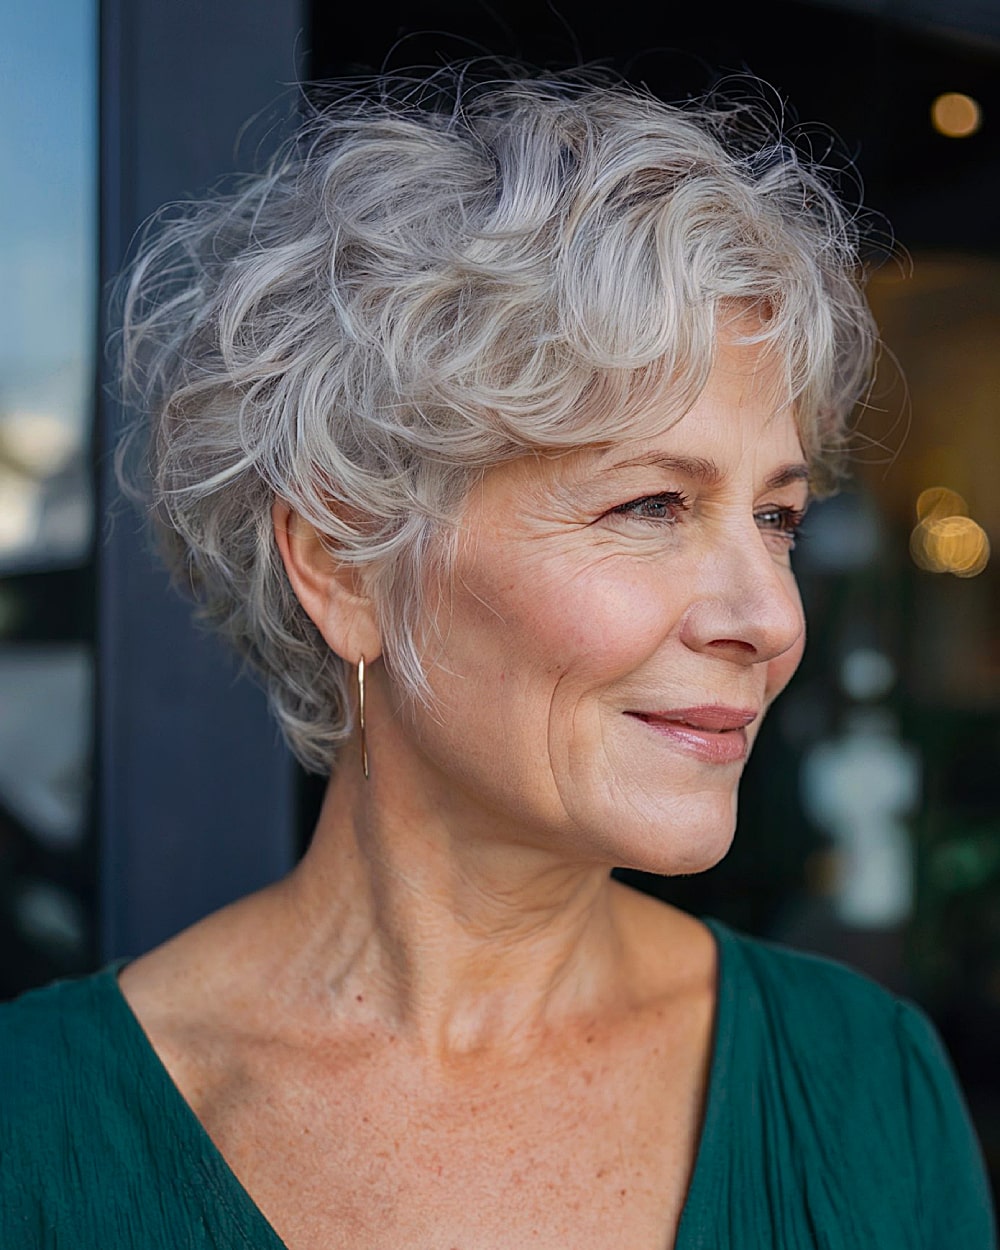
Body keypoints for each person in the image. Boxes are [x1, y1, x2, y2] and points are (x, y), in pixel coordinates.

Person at [1, 67, 995, 1249]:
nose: (771, 616)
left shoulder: (865, 1087)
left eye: (775, 517)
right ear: (344, 567)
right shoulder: (36, 1133)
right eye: (650, 505)